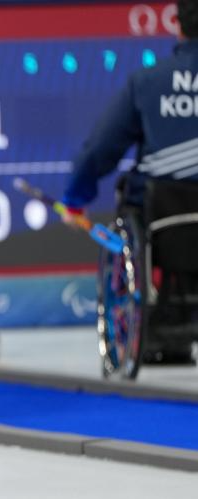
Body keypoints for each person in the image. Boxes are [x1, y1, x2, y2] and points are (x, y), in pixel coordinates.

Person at [62, 0, 198, 363]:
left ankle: (161, 322)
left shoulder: (148, 82)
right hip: (166, 221)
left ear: (177, 25)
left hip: (161, 225)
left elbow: (100, 149)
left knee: (137, 193)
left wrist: (75, 199)